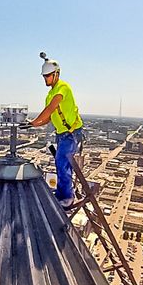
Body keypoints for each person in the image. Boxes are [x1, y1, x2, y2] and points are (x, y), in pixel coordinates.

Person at [22, 53, 83, 208]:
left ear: (56, 74)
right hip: (62, 134)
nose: (45, 79)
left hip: (71, 134)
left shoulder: (62, 88)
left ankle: (67, 197)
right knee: (60, 162)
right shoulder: (50, 94)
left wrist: (34, 122)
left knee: (62, 163)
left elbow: (49, 109)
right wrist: (32, 125)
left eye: (48, 76)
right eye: (44, 77)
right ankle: (61, 193)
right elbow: (50, 117)